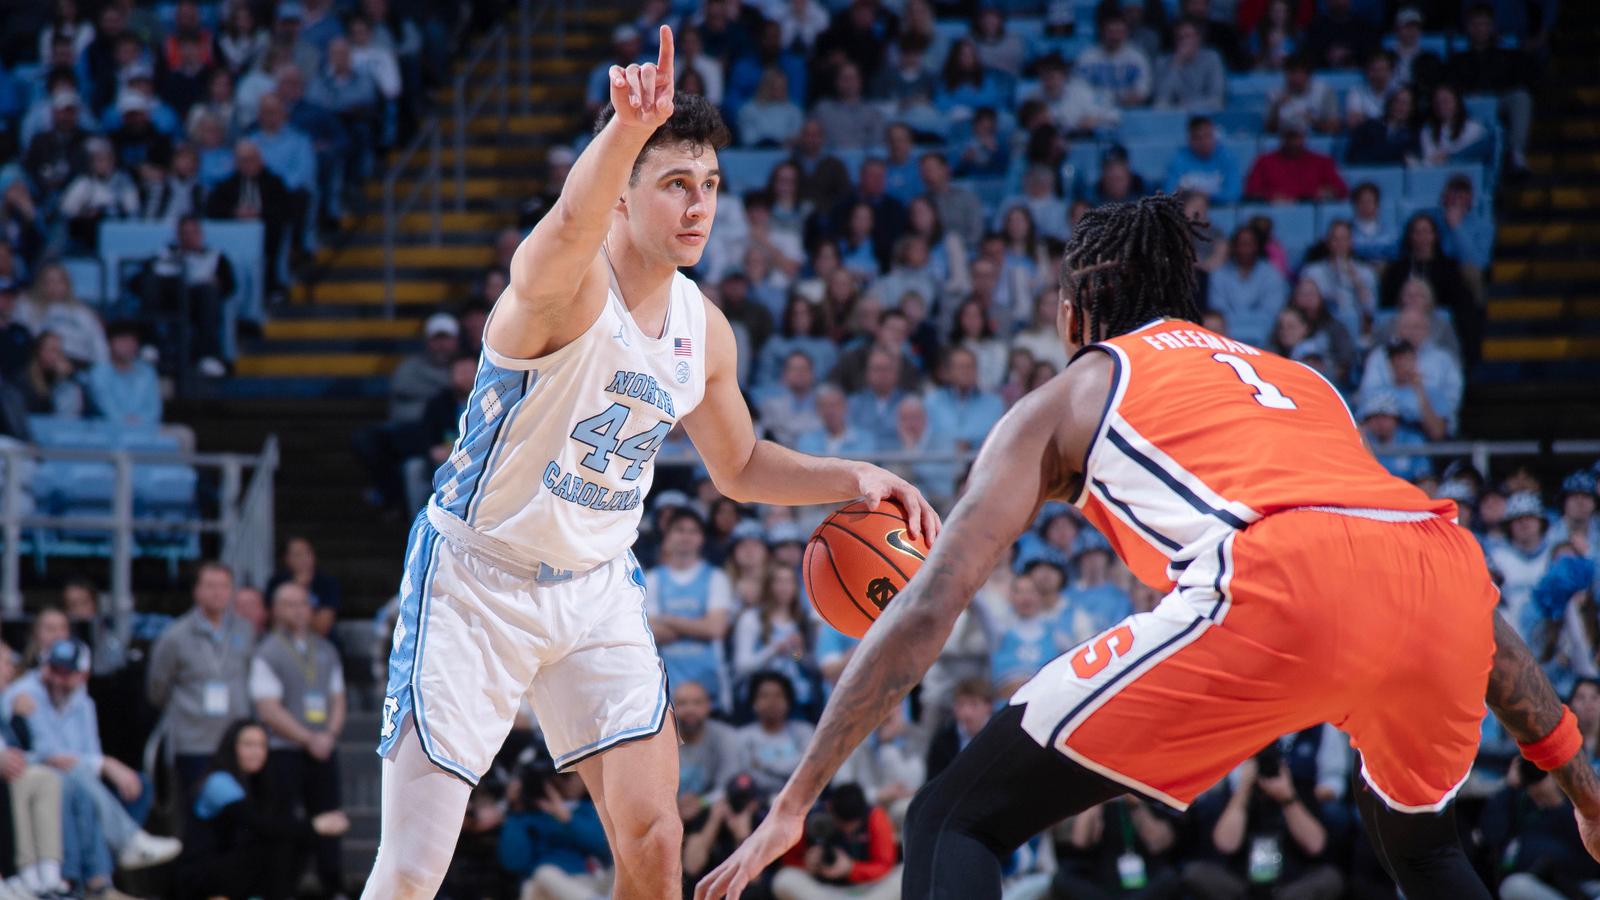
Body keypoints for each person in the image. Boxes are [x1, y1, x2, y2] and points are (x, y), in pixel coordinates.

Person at [699, 193, 1600, 900]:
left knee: (953, 818)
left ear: (1073, 311)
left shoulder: (1073, 391)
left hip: (1281, 581)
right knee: (1420, 837)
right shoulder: (1303, 383)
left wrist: (796, 799)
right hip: (1444, 577)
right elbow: (1472, 611)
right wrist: (1587, 794)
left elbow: (930, 604)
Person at [363, 34, 936, 898]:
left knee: (655, 837)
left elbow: (739, 464)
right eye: (675, 184)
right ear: (623, 196)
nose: (699, 206)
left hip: (594, 586)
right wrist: (626, 132)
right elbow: (565, 222)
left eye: (708, 186)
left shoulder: (703, 328)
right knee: (411, 871)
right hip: (476, 582)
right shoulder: (564, 284)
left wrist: (852, 476)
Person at [20, 639, 182, 872]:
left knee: (137, 785)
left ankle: (108, 871)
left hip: (75, 774)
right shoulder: (27, 694)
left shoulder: (84, 702)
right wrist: (106, 764)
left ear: (83, 675)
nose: (58, 679)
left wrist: (102, 764)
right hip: (41, 772)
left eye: (67, 673)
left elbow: (88, 754)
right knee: (79, 782)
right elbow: (51, 755)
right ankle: (125, 846)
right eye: (54, 670)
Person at [178, 719, 349, 900]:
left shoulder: (255, 782)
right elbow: (259, 825)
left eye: (261, 746)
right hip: (202, 874)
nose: (256, 752)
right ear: (231, 747)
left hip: (232, 869)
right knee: (275, 842)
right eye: (248, 745)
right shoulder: (219, 781)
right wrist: (315, 825)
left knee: (290, 839)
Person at [249, 582, 346, 895]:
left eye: (304, 603)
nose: (299, 610)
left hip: (323, 747)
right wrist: (309, 739)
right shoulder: (267, 651)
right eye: (290, 604)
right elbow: (268, 708)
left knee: (331, 818)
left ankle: (334, 886)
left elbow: (338, 698)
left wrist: (329, 734)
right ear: (275, 609)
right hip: (284, 750)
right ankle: (281, 888)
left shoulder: (326, 649)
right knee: (284, 820)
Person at [147, 561, 255, 794]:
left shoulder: (245, 631)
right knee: (195, 812)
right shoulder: (175, 636)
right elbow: (157, 688)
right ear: (196, 591)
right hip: (193, 741)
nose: (218, 592)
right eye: (210, 585)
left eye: (224, 586)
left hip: (236, 740)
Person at [647, 509, 736, 709]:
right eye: (680, 530)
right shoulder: (652, 578)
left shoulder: (716, 577)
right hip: (664, 689)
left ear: (701, 539)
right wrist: (698, 626)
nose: (686, 536)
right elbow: (650, 633)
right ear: (667, 536)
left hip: (711, 686)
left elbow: (715, 629)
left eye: (693, 531)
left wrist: (667, 619)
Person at [141, 215, 238, 376]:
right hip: (169, 300)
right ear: (178, 235)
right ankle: (150, 345)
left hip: (200, 303)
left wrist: (218, 283)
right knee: (150, 281)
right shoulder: (163, 255)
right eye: (184, 233)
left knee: (210, 292)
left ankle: (208, 356)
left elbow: (230, 286)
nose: (189, 237)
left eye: (193, 232)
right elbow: (137, 282)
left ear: (201, 234)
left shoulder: (216, 257)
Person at [770, 783, 900, 899]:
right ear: (830, 808)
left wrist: (850, 868)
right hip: (824, 891)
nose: (848, 831)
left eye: (852, 826)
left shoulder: (875, 817)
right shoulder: (813, 819)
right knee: (784, 879)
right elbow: (788, 861)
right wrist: (806, 864)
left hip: (867, 891)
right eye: (842, 824)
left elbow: (885, 866)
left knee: (901, 875)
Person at [1207, 226, 1287, 349]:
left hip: (1264, 342)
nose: (1245, 249)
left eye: (1249, 244)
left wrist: (1240, 325)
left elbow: (1271, 315)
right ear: (1234, 247)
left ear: (1257, 246)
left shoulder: (1272, 274)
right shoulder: (1219, 274)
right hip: (1225, 343)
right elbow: (1218, 313)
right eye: (1241, 244)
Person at [1244, 124, 1347, 203]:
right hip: (1276, 213)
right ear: (1282, 138)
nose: (1293, 142)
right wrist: (1270, 197)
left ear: (1304, 137)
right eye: (1289, 137)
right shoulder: (1264, 161)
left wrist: (1329, 193)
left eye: (1296, 137)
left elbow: (1342, 190)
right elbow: (1251, 192)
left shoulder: (1322, 161)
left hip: (1310, 210)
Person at [263, 535, 342, 637]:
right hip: (283, 641)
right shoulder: (277, 582)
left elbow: (323, 626)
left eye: (307, 553)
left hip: (320, 641)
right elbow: (273, 622)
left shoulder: (327, 583)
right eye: (297, 554)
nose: (304, 558)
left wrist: (291, 616)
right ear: (287, 559)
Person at [85, 320, 159, 425]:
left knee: (182, 433)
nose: (129, 345)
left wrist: (139, 423)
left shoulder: (147, 372)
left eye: (133, 340)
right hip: (108, 430)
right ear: (110, 343)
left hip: (145, 429)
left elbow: (153, 410)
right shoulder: (99, 372)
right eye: (123, 340)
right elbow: (107, 409)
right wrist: (126, 423)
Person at [1162, 116, 1241, 205]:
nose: (1205, 142)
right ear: (1190, 140)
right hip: (1188, 211)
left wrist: (1205, 195)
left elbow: (1233, 194)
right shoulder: (1178, 159)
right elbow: (1169, 193)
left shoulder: (1227, 157)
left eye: (1208, 136)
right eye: (1199, 138)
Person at [1152, 19, 1225, 113]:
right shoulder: (1162, 61)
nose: (1184, 41)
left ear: (1198, 38)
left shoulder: (1212, 58)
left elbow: (1217, 99)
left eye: (1188, 36)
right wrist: (1176, 64)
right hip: (1175, 117)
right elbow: (1160, 99)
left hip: (1204, 115)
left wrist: (1189, 107)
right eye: (1179, 37)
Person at [1417, 84, 1487, 167]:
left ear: (1456, 102)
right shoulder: (1427, 131)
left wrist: (1449, 156)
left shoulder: (1474, 128)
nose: (1441, 107)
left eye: (1446, 101)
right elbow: (1430, 160)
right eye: (1437, 103)